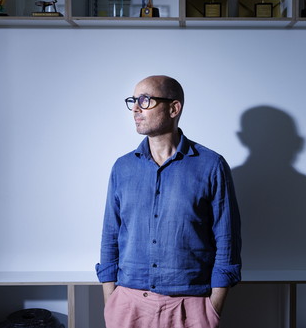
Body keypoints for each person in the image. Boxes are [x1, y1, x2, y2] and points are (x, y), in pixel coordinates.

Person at [96, 75, 242, 328]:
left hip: (190, 306)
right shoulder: (123, 167)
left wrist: (212, 309)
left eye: (145, 100)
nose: (136, 108)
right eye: (133, 100)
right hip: (128, 305)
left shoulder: (211, 165)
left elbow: (227, 240)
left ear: (174, 108)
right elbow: (111, 235)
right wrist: (112, 302)